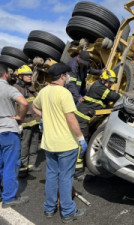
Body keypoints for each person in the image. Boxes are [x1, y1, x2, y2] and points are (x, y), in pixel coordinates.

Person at [32, 63, 87, 223]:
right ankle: (68, 212)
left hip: (49, 143)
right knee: (65, 178)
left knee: (51, 175)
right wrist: (81, 138)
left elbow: (34, 107)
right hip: (65, 144)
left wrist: (46, 116)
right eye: (67, 74)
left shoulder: (43, 91)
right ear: (62, 76)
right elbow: (71, 118)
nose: (69, 77)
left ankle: (49, 208)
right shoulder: (64, 93)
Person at [74, 69, 122, 179]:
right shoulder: (99, 88)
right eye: (109, 82)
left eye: (111, 83)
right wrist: (124, 97)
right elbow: (114, 96)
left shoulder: (99, 86)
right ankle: (78, 172)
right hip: (82, 119)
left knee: (80, 143)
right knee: (82, 144)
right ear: (103, 79)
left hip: (84, 118)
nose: (110, 85)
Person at [0, 63, 29, 207]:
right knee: (10, 166)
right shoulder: (8, 88)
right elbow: (24, 103)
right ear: (5, 74)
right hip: (8, 131)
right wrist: (20, 118)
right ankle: (9, 198)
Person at [14, 65, 41, 178]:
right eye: (27, 75)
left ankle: (31, 165)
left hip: (34, 121)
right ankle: (22, 168)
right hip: (24, 122)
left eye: (30, 75)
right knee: (24, 145)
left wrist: (40, 120)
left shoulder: (31, 87)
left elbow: (36, 103)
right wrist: (17, 122)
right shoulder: (16, 88)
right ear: (20, 76)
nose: (30, 77)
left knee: (34, 143)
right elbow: (15, 107)